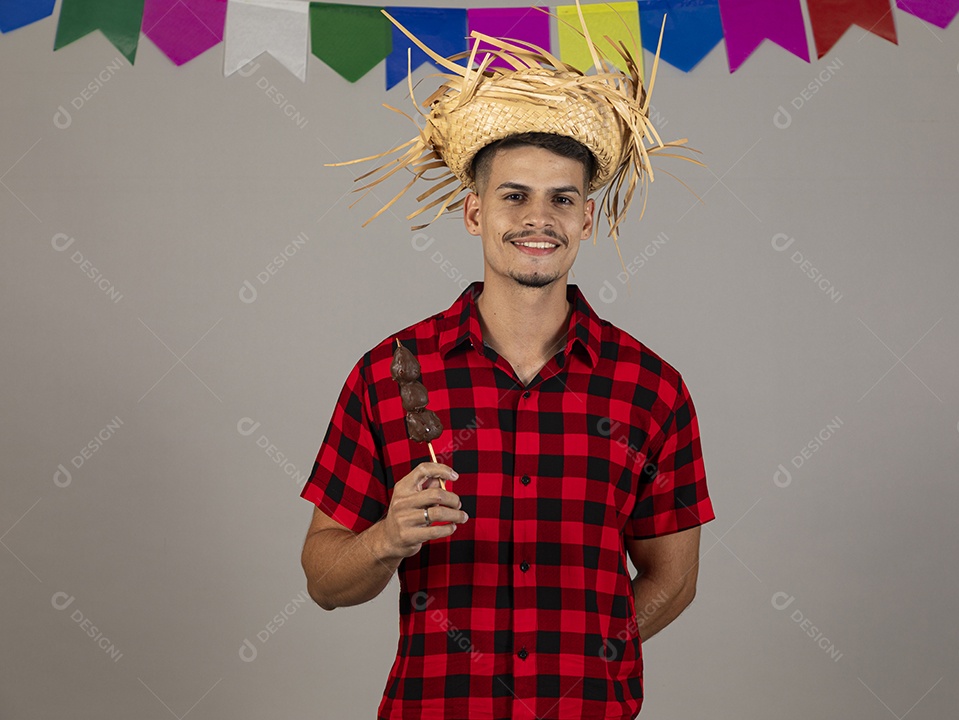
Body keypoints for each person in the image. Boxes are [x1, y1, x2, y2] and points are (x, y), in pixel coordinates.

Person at [299, 8, 715, 719]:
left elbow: (674, 578)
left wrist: (601, 655)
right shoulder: (390, 372)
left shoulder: (650, 387)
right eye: (514, 196)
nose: (538, 219)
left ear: (587, 217)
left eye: (562, 199)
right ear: (473, 212)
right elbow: (324, 579)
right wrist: (386, 539)